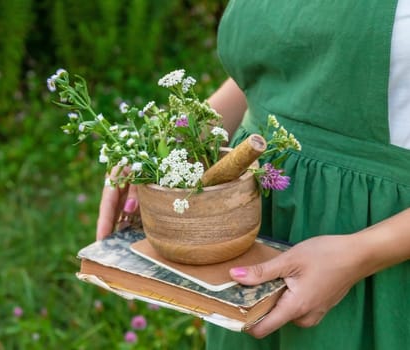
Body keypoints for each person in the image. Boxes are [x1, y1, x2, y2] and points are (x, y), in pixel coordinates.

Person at [95, 1, 410, 349]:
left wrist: (359, 255)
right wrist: (172, 144)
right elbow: (276, 70)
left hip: (377, 247)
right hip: (254, 229)